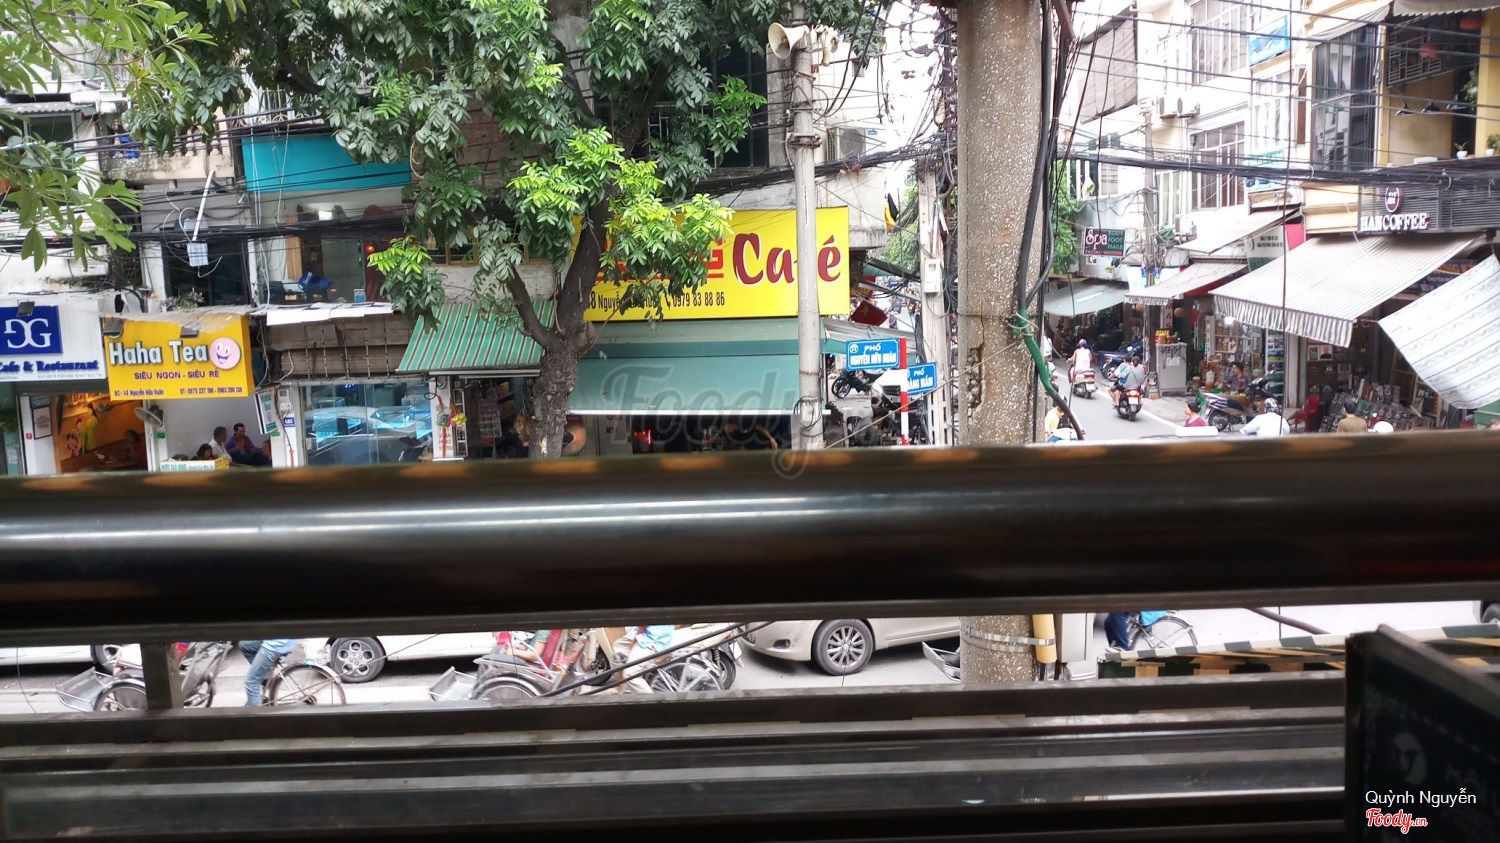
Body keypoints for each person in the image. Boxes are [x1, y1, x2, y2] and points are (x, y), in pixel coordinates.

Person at [238, 639, 299, 706]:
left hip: (276, 645)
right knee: (245, 645)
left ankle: (256, 710)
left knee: (251, 682)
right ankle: (266, 678)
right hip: (277, 641)